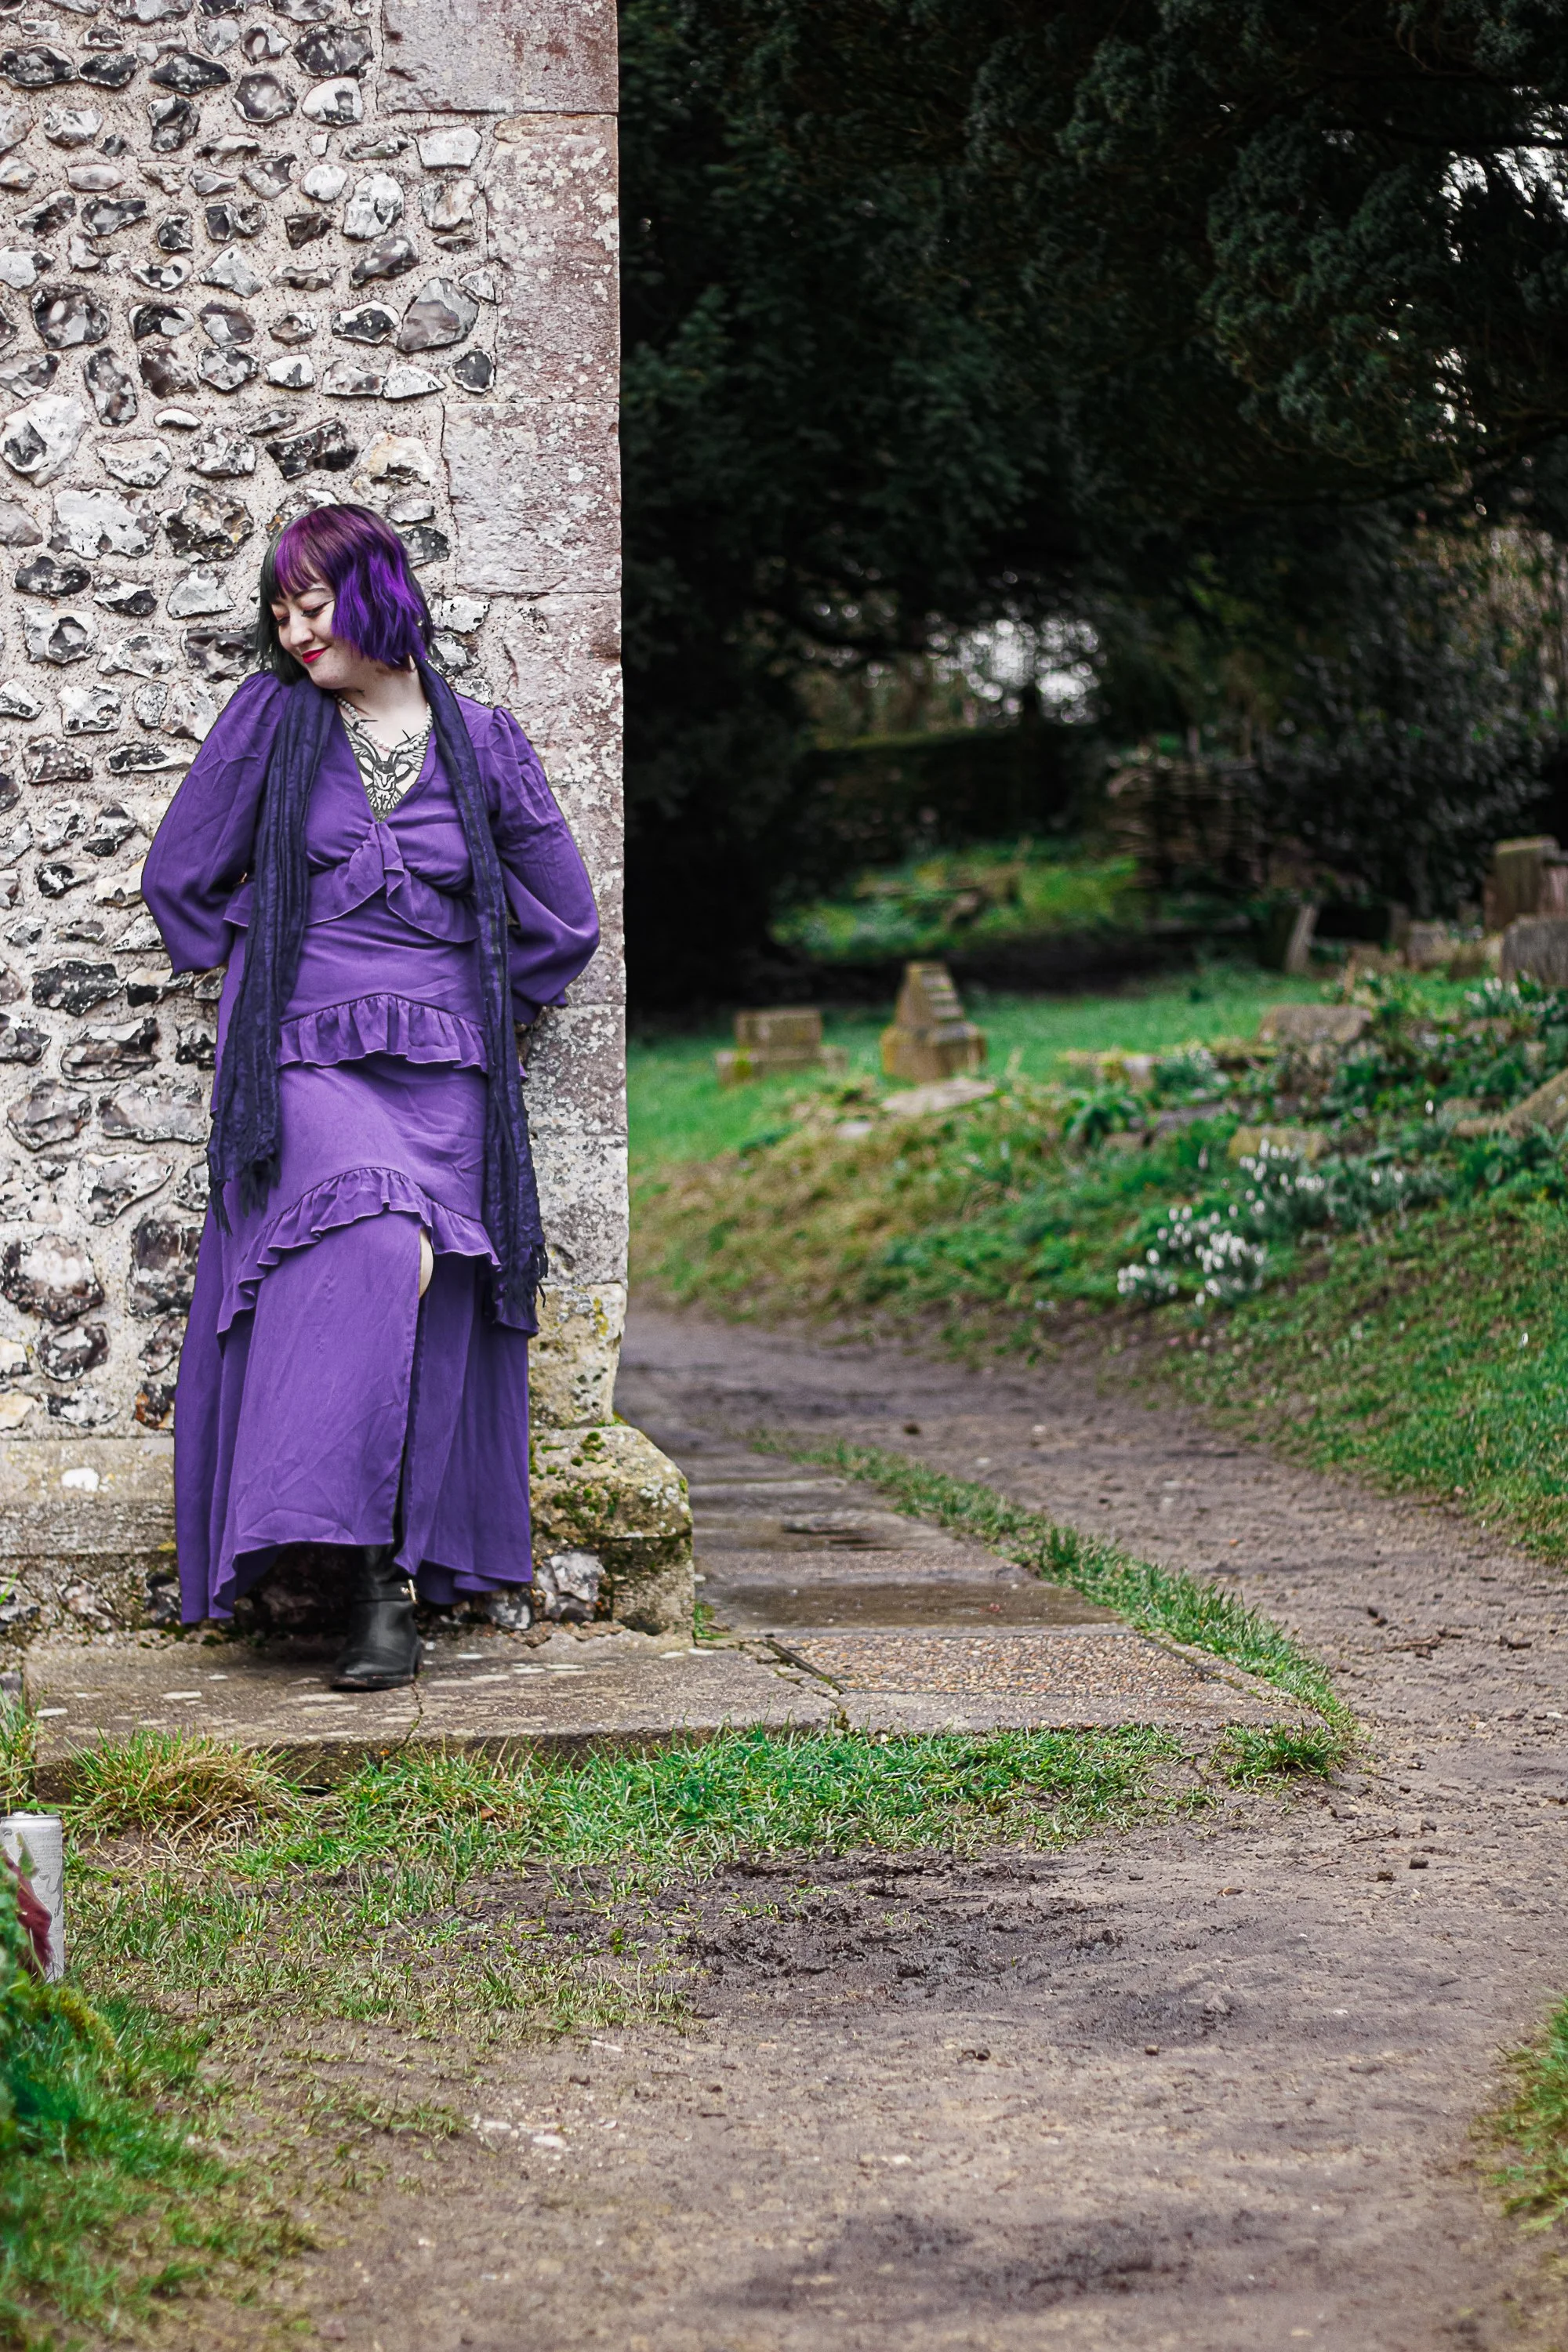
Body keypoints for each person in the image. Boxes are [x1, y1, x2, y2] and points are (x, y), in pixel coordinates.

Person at [141, 503, 600, 1690]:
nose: (294, 630)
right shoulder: (274, 721)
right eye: (280, 611)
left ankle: (384, 1588)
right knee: (376, 1231)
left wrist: (474, 991)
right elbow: (182, 875)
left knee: (434, 1284)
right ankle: (332, 1552)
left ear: (378, 592)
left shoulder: (484, 742)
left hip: (446, 1073)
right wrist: (269, 953)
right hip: (306, 1058)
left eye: (312, 604)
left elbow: (564, 918)